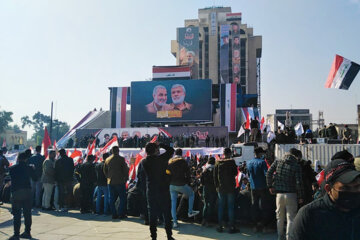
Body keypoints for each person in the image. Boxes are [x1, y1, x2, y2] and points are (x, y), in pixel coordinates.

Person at [291, 159, 360, 240]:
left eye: (357, 187)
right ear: (328, 189)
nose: (352, 191)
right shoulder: (309, 215)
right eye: (345, 188)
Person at [266, 153, 304, 240]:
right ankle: (289, 237)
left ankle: (280, 236)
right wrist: (300, 196)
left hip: (279, 195)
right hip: (291, 194)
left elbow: (269, 173)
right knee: (290, 218)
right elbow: (299, 182)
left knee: (279, 217)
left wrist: (270, 186)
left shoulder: (278, 162)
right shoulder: (296, 166)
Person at [142, 142, 175, 240]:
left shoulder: (144, 161)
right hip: (163, 190)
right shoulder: (161, 159)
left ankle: (154, 237)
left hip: (151, 190)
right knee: (167, 214)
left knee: (152, 215)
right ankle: (169, 236)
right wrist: (161, 144)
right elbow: (171, 150)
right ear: (156, 150)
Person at [166, 148, 199, 228]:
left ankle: (174, 222)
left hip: (172, 185)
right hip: (181, 184)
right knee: (191, 194)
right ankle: (190, 211)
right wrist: (188, 183)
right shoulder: (183, 161)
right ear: (181, 154)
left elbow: (167, 173)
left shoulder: (170, 161)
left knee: (173, 203)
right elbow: (187, 174)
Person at [8, 152, 36, 240]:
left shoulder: (12, 168)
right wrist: (33, 169)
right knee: (27, 213)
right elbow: (35, 178)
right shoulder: (29, 168)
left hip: (16, 192)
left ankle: (16, 234)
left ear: (18, 159)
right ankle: (27, 232)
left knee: (17, 213)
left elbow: (11, 178)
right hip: (27, 191)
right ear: (26, 159)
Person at [214, 148, 240, 234]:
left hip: (221, 188)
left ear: (223, 154)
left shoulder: (218, 162)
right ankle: (231, 227)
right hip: (230, 188)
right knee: (230, 207)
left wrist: (217, 186)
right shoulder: (231, 162)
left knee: (221, 207)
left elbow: (215, 176)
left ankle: (220, 226)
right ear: (229, 153)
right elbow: (236, 173)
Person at [246, 147, 269, 232]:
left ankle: (255, 226)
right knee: (264, 206)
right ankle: (264, 226)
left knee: (254, 206)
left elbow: (248, 174)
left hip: (253, 187)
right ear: (259, 153)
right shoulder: (262, 162)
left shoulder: (249, 162)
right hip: (262, 186)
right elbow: (266, 174)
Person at [103, 146, 129, 219]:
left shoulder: (107, 159)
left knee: (111, 198)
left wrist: (108, 177)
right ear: (118, 151)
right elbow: (125, 170)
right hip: (120, 181)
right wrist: (126, 178)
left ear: (112, 151)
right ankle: (121, 213)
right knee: (122, 198)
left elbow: (104, 170)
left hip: (110, 181)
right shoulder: (121, 159)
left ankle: (114, 213)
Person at [200, 157, 217, 226]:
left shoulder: (204, 169)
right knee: (211, 205)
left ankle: (203, 220)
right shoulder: (215, 169)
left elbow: (201, 180)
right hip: (213, 188)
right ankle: (208, 221)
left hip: (206, 188)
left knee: (206, 204)